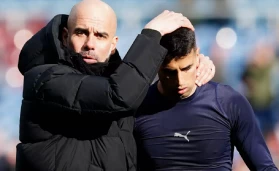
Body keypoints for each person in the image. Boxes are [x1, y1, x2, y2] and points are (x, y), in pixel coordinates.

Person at [16, 0, 215, 171]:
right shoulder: (44, 78)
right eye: (81, 33)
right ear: (66, 37)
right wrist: (152, 34)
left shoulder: (119, 82)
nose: (90, 44)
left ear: (113, 45)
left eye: (100, 36)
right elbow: (116, 96)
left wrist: (196, 68)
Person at [134, 27, 279, 171]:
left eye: (186, 68)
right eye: (169, 72)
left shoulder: (228, 102)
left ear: (198, 56)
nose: (180, 81)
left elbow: (265, 168)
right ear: (156, 66)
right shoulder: (137, 107)